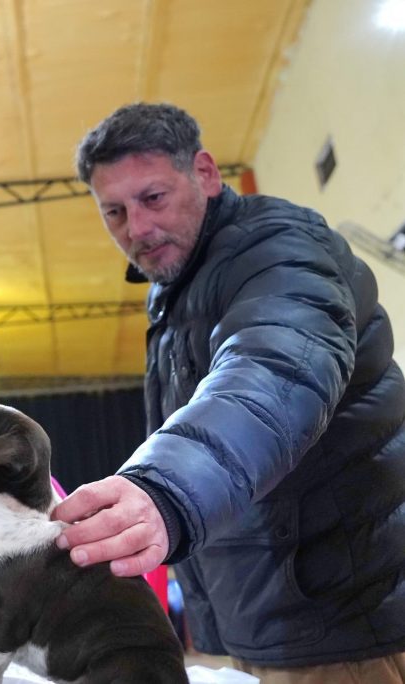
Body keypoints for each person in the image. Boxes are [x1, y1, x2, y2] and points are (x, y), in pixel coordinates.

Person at [52, 102, 405, 681]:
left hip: (348, 627)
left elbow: (274, 366)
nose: (136, 229)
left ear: (207, 175)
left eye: (153, 198)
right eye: (114, 211)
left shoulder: (277, 247)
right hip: (276, 625)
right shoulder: (177, 292)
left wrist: (166, 489)